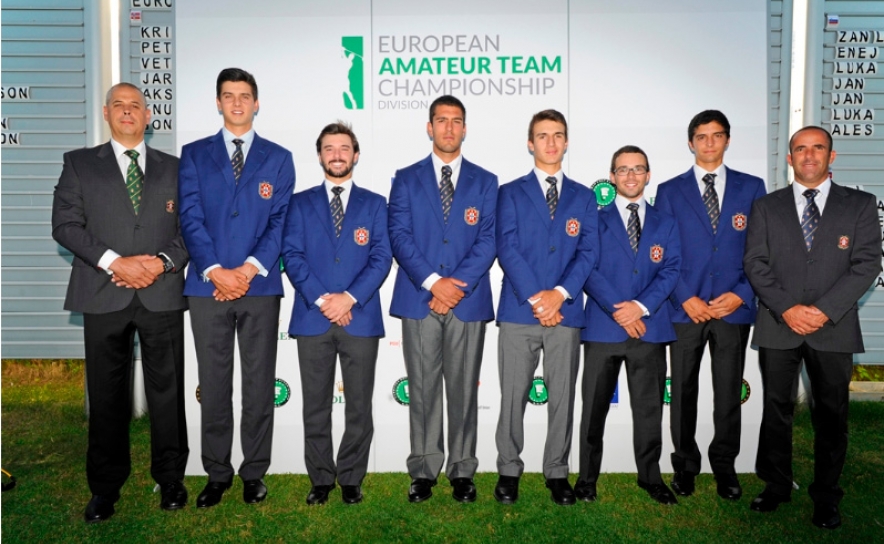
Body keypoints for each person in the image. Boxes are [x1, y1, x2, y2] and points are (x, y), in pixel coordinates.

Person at [52, 82, 189, 522]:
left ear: (149, 116)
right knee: (106, 395)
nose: (127, 111)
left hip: (161, 292)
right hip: (103, 291)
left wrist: (161, 263)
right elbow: (65, 225)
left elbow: (191, 228)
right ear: (106, 113)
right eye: (119, 105)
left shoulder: (176, 168)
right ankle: (105, 488)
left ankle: (171, 478)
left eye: (135, 105)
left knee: (168, 393)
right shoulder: (79, 164)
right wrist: (116, 263)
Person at [743, 126, 879, 529]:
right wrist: (787, 309)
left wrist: (823, 311)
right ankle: (776, 485)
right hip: (778, 324)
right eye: (800, 149)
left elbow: (867, 264)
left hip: (833, 327)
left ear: (831, 156)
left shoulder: (860, 204)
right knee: (776, 409)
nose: (809, 155)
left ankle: (826, 496)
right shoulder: (766, 206)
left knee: (832, 415)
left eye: (818, 148)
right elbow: (755, 263)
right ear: (789, 159)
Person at [178, 67, 295, 507]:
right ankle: (217, 472)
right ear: (218, 102)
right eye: (229, 95)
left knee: (259, 384)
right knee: (214, 384)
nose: (237, 103)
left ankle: (254, 471)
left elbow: (280, 220)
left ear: (256, 103)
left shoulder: (279, 158)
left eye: (245, 95)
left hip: (259, 287)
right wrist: (214, 269)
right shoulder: (194, 154)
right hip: (206, 287)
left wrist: (246, 270)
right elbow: (189, 217)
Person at [388, 95, 498, 504]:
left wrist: (455, 287)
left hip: (467, 301)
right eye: (441, 120)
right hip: (419, 298)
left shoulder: (486, 181)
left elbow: (489, 240)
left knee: (464, 389)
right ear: (429, 127)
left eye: (456, 121)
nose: (449, 128)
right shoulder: (405, 178)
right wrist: (435, 283)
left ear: (465, 128)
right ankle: (423, 470)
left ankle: (462, 470)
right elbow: (399, 236)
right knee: (422, 388)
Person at [654, 110, 766, 500]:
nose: (709, 143)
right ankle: (685, 466)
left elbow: (761, 250)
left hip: (733, 309)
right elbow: (663, 252)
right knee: (682, 391)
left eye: (716, 135)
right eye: (701, 136)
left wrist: (742, 294)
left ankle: (725, 466)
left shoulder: (752, 187)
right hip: (686, 308)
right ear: (691, 142)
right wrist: (685, 296)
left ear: (728, 140)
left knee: (728, 392)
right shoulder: (670, 191)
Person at [282, 122, 392, 505]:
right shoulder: (299, 203)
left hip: (360, 317)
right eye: (329, 148)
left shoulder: (375, 204)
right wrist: (322, 299)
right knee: (315, 405)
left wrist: (348, 298)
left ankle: (350, 477)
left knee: (358, 406)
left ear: (356, 154)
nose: (337, 155)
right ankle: (321, 478)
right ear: (319, 156)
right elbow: (292, 256)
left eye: (344, 148)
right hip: (312, 317)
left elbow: (381, 257)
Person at [494, 110, 598, 506]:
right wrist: (540, 298)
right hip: (520, 310)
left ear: (566, 142)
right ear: (530, 143)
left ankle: (557, 471)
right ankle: (508, 470)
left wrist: (560, 294)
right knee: (512, 396)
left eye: (557, 135)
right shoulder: (510, 192)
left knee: (562, 398)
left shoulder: (584, 197)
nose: (550, 142)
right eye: (542, 135)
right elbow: (507, 248)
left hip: (566, 312)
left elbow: (588, 252)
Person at [575, 145, 681, 505]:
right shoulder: (594, 219)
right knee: (593, 410)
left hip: (649, 328)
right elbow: (587, 268)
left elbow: (671, 270)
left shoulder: (666, 222)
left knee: (649, 410)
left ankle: (651, 477)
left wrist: (640, 307)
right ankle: (586, 479)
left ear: (648, 175)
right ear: (612, 177)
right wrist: (619, 310)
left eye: (638, 169)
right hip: (603, 328)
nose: (631, 176)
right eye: (623, 169)